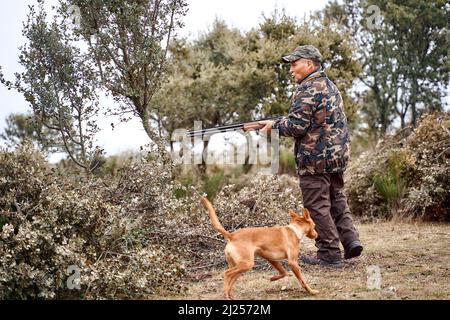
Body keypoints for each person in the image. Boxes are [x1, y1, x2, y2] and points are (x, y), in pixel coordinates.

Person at [257, 45, 363, 268]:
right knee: (336, 199)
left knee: (316, 206)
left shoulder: (307, 88)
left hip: (315, 158)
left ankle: (329, 254)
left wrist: (274, 125)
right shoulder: (330, 86)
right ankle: (350, 241)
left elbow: (297, 126)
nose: (291, 69)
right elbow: (317, 121)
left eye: (295, 64)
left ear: (309, 64)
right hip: (336, 156)